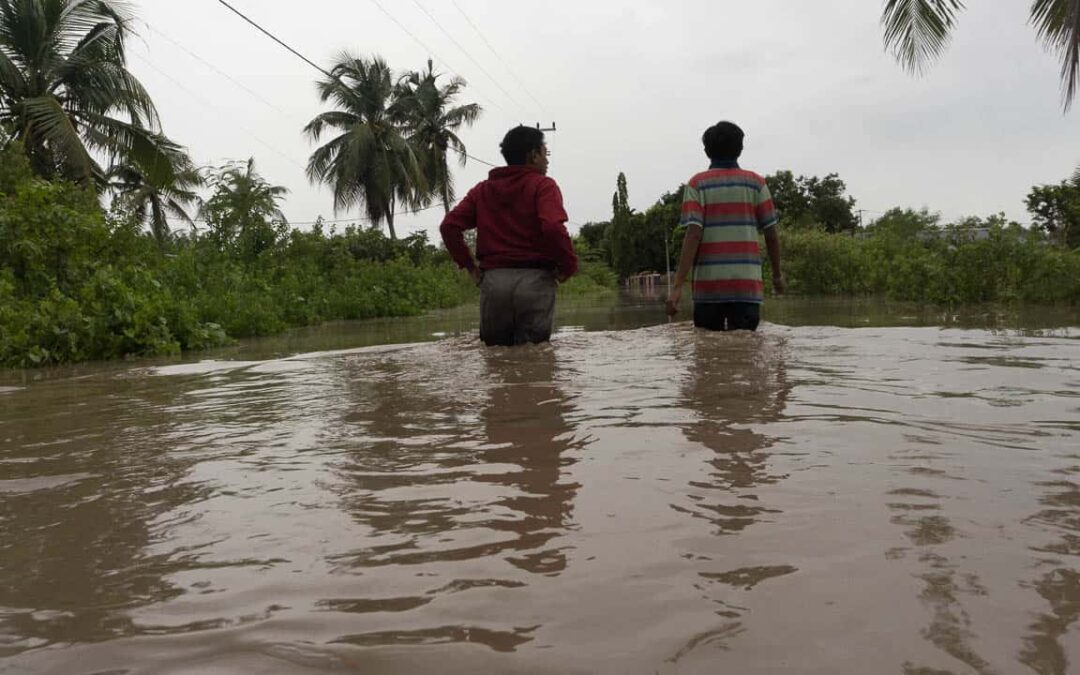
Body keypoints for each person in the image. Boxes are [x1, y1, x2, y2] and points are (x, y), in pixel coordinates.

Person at [440, 125, 578, 347]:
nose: (547, 160)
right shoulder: (543, 186)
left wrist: (470, 267)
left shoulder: (482, 190)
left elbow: (449, 226)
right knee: (536, 360)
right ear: (533, 155)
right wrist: (568, 266)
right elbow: (553, 227)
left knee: (495, 360)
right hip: (535, 282)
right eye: (545, 153)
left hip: (494, 284)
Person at [666, 121, 784, 331]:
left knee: (707, 357)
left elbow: (693, 235)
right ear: (740, 149)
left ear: (706, 151)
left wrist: (677, 287)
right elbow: (771, 234)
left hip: (708, 290)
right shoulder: (757, 183)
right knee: (747, 355)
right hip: (746, 289)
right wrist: (777, 275)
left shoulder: (697, 184)